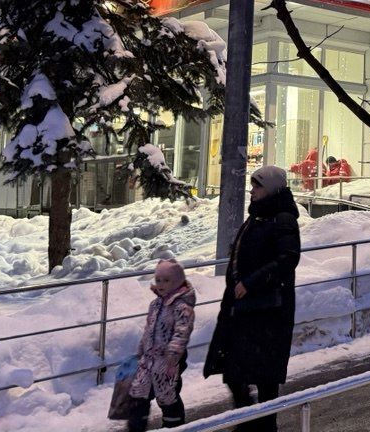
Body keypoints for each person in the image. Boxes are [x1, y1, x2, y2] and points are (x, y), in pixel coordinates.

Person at [205, 165, 301, 432]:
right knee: (236, 372)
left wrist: (251, 282)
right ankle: (249, 422)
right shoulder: (257, 217)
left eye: (257, 186)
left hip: (269, 312)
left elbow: (288, 259)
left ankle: (262, 425)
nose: (252, 191)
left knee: (264, 379)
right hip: (247, 310)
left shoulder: (282, 219)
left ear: (271, 188)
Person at [128, 258, 196, 431]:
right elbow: (148, 330)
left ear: (177, 282)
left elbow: (182, 332)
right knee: (138, 393)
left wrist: (173, 355)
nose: (161, 284)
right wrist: (141, 351)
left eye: (166, 280)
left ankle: (174, 426)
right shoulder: (155, 304)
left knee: (167, 397)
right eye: (158, 280)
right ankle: (136, 427)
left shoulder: (182, 306)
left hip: (169, 361)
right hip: (149, 359)